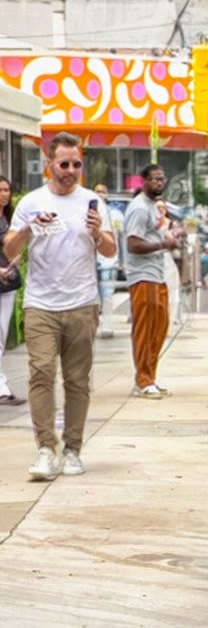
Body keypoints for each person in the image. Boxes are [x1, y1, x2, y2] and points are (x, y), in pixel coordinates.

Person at [3, 132, 116, 480]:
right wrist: (28, 231)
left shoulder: (92, 204)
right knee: (40, 374)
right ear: (49, 163)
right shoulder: (30, 202)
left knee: (77, 380)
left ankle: (72, 450)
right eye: (63, 164)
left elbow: (111, 252)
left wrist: (98, 233)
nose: (70, 170)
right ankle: (45, 450)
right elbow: (8, 250)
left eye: (76, 164)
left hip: (82, 304)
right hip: (40, 304)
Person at [123, 166, 179, 399]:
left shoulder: (153, 208)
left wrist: (169, 238)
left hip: (156, 272)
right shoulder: (138, 209)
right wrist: (163, 245)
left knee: (160, 327)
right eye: (155, 179)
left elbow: (157, 235)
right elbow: (133, 244)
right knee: (145, 330)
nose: (160, 183)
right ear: (144, 181)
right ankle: (143, 379)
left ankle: (150, 377)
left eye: (162, 179)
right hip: (142, 274)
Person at [0, 176, 26, 407]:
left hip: (8, 283)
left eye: (7, 189)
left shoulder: (9, 219)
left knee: (1, 333)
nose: (4, 194)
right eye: (0, 190)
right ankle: (1, 386)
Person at [93, 182, 124, 337]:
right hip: (90, 261)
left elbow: (121, 238)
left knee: (107, 294)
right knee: (93, 296)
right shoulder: (87, 213)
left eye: (103, 191)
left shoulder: (116, 215)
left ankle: (107, 325)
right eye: (97, 191)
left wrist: (123, 261)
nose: (100, 194)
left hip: (108, 260)